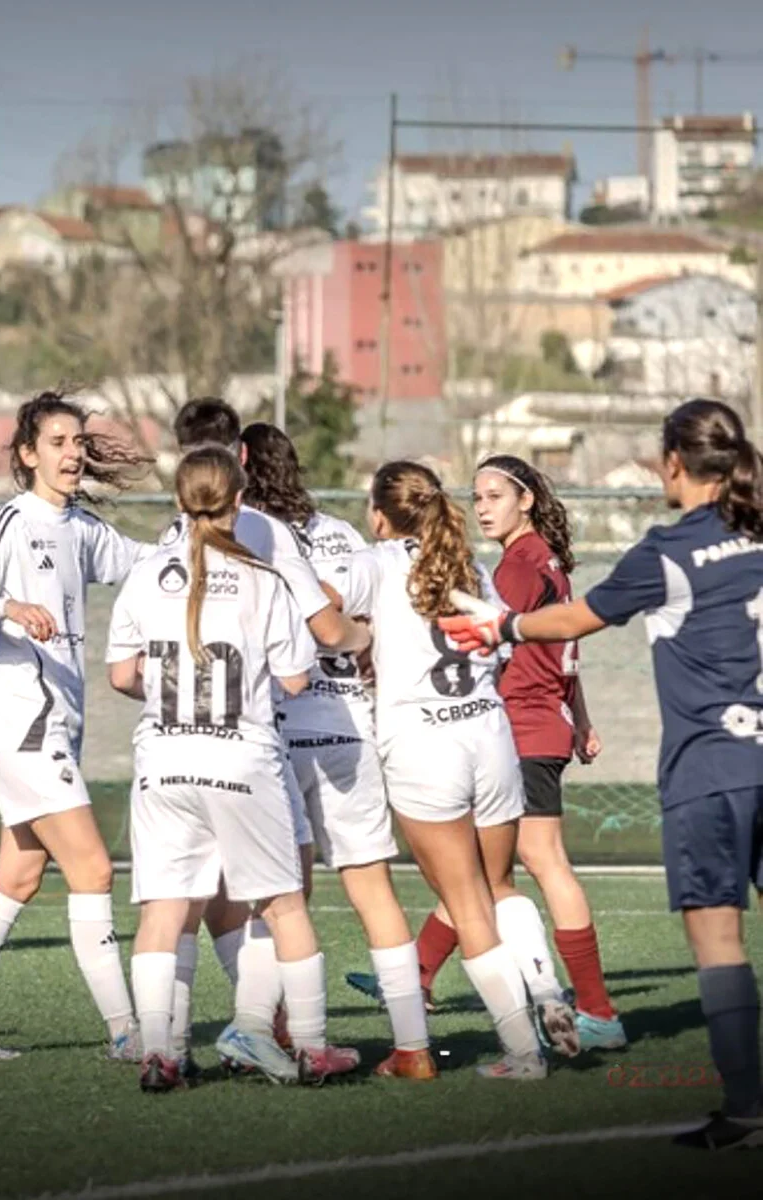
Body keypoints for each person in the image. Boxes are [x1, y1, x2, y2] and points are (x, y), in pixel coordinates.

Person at [441, 398, 763, 1147]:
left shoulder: (672, 549)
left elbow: (580, 617)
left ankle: (746, 1110)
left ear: (674, 465)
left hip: (710, 768)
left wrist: (504, 625)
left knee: (720, 939)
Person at [107, 445, 360, 1089]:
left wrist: (171, 694)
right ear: (241, 500)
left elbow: (121, 676)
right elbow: (297, 679)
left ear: (178, 501)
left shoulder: (146, 572)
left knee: (164, 911)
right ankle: (309, 1045)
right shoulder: (262, 576)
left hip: (163, 761)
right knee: (283, 906)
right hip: (241, 758)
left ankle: (161, 1052)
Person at [0, 392, 150, 1062]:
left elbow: (141, 562)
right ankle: (126, 1031)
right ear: (27, 455)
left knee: (17, 878)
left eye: (78, 441)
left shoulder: (78, 526)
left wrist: (203, 533)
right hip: (24, 725)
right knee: (92, 867)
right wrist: (11, 607)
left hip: (58, 723)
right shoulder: (10, 521)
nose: (73, 452)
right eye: (57, 441)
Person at [404, 456, 626, 1050]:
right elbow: (559, 643)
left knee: (528, 865)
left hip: (521, 726)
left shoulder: (520, 566)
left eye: (495, 495)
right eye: (476, 497)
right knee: (483, 866)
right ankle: (419, 975)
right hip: (540, 722)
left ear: (526, 501)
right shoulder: (542, 559)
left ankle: (595, 1011)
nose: (482, 507)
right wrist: (580, 718)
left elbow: (491, 643)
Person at [355, 460, 564, 1080]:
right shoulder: (466, 564)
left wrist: (357, 647)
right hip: (489, 732)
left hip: (424, 740)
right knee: (499, 885)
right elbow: (502, 639)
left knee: (465, 900)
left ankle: (524, 1053)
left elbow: (326, 614)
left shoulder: (376, 561)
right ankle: (548, 995)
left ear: (379, 514)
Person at [239, 422, 434, 1080]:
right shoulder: (345, 535)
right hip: (350, 722)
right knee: (373, 891)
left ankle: (280, 1032)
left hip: (275, 728)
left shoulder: (239, 533)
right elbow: (366, 629)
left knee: (279, 896)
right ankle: (412, 1046)